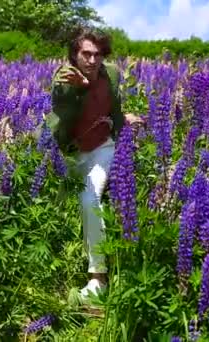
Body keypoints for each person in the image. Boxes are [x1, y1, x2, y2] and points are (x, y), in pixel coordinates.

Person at [44, 27, 143, 302]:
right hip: (70, 152)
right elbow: (62, 113)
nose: (91, 60)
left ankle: (97, 277)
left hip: (102, 147)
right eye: (85, 54)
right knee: (57, 204)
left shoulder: (110, 74)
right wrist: (78, 90)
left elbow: (112, 109)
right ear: (75, 55)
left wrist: (125, 120)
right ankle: (56, 262)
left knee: (90, 198)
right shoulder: (64, 78)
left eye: (97, 54)